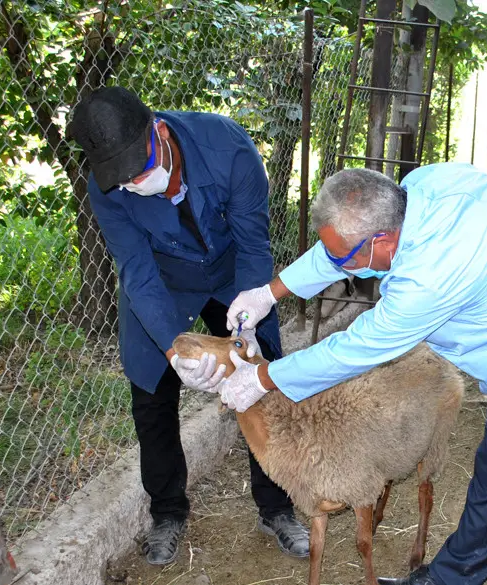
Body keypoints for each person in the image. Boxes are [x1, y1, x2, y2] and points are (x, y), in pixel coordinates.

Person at [219, 164, 487, 585]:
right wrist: (268, 293)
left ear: (384, 240)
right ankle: (445, 580)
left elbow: (358, 348)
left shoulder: (431, 274)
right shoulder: (416, 192)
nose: (340, 266)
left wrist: (263, 378)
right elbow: (342, 250)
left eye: (346, 260)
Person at [65, 86, 310, 566]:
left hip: (232, 275)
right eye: (121, 177)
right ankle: (167, 514)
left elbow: (254, 245)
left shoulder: (229, 150)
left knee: (264, 377)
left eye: (137, 168)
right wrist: (172, 351)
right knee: (151, 395)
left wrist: (247, 323)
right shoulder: (106, 189)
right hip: (163, 285)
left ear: (158, 131)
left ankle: (277, 506)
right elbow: (136, 269)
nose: (132, 183)